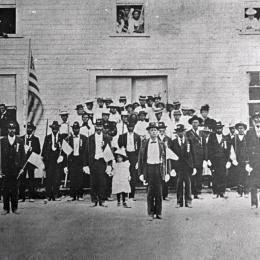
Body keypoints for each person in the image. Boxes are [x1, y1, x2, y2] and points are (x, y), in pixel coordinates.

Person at [138, 122, 168, 220]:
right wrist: (141, 173)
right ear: (148, 132)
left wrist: (167, 172)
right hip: (149, 169)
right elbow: (140, 159)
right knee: (150, 193)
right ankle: (150, 213)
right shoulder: (144, 143)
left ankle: (158, 212)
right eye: (151, 130)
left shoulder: (162, 144)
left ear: (158, 132)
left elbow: (166, 159)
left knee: (159, 192)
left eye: (155, 130)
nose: (154, 132)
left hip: (159, 169)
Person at [1, 122, 25, 215]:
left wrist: (22, 168)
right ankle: (6, 208)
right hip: (6, 168)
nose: (12, 130)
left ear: (15, 130)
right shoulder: (3, 141)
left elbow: (23, 156)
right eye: (10, 128)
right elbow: (0, 155)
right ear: (7, 129)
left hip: (16, 168)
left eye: (13, 128)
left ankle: (15, 208)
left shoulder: (20, 141)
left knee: (15, 189)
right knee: (5, 189)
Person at [88, 119, 112, 207]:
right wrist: (86, 164)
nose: (98, 128)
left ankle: (102, 199)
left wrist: (109, 164)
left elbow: (109, 150)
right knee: (93, 181)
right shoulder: (90, 138)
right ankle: (94, 199)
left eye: (100, 126)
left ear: (102, 127)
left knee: (102, 181)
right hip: (93, 161)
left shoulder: (106, 137)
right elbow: (87, 152)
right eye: (97, 126)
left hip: (102, 161)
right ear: (95, 127)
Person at [64, 122, 89, 201]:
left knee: (80, 178)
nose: (76, 130)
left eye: (77, 128)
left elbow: (86, 151)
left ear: (79, 129)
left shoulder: (84, 138)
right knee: (72, 178)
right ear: (72, 129)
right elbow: (65, 150)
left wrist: (85, 164)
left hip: (80, 159)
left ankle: (80, 195)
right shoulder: (69, 138)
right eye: (74, 128)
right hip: (72, 160)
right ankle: (72, 195)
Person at [172, 124, 194, 208]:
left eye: (181, 131)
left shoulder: (189, 140)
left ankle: (188, 201)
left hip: (187, 166)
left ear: (184, 132)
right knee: (179, 184)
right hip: (178, 166)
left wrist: (193, 166)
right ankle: (179, 201)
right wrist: (173, 168)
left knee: (188, 184)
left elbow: (193, 153)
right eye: (178, 132)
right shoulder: (174, 142)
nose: (180, 133)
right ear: (176, 133)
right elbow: (172, 155)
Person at [118, 121, 141, 201]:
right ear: (127, 127)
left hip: (134, 156)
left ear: (134, 127)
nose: (130, 128)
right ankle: (123, 195)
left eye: (132, 127)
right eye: (129, 127)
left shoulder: (137, 136)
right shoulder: (122, 136)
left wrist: (138, 161)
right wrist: (122, 148)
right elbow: (119, 146)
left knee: (133, 176)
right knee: (124, 175)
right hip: (126, 156)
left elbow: (139, 149)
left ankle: (131, 195)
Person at [42, 121, 63, 202]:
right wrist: (44, 162)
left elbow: (64, 150)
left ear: (58, 129)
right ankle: (48, 195)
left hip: (58, 161)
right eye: (53, 128)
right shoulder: (47, 138)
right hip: (49, 161)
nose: (55, 130)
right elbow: (44, 150)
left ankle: (56, 195)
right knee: (49, 178)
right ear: (51, 129)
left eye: (56, 128)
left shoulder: (61, 137)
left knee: (57, 178)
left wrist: (62, 157)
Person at [208, 122, 231, 199]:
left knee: (223, 176)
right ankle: (215, 192)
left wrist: (228, 160)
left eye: (220, 128)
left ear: (222, 128)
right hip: (214, 160)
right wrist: (208, 159)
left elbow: (228, 150)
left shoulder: (226, 138)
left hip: (223, 160)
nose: (219, 129)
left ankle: (222, 192)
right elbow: (209, 149)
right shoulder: (211, 137)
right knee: (215, 176)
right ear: (215, 129)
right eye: (217, 128)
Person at [19, 122, 41, 202]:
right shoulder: (21, 139)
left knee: (31, 179)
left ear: (33, 129)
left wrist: (32, 149)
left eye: (30, 128)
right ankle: (22, 197)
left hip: (31, 161)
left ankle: (31, 196)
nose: (29, 129)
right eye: (28, 128)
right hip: (23, 161)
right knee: (22, 178)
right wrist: (23, 149)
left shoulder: (36, 139)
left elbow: (38, 151)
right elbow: (18, 151)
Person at [186, 115, 204, 199]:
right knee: (192, 175)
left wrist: (205, 159)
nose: (195, 124)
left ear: (199, 123)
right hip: (192, 158)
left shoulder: (202, 133)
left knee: (199, 176)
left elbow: (205, 146)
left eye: (196, 122)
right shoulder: (188, 133)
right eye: (193, 122)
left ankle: (198, 192)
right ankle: (193, 192)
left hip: (200, 158)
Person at [246, 111, 260, 208]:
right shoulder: (249, 133)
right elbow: (246, 148)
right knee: (253, 182)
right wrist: (247, 162)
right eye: (255, 118)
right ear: (253, 121)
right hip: (254, 161)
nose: (258, 120)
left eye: (259, 118)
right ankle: (254, 203)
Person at [233, 122, 249, 197]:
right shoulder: (234, 138)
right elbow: (231, 150)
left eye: (242, 128)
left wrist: (248, 160)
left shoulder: (248, 138)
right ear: (237, 129)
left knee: (246, 175)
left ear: (244, 129)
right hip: (237, 160)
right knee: (238, 175)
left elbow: (249, 149)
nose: (240, 130)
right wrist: (233, 159)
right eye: (239, 128)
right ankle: (239, 192)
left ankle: (246, 192)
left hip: (245, 160)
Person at [158, 122, 173, 201]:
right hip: (157, 160)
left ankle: (165, 194)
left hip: (166, 160)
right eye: (160, 129)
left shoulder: (168, 139)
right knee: (158, 177)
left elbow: (171, 149)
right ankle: (158, 195)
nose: (161, 131)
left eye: (163, 129)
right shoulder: (155, 138)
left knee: (165, 177)